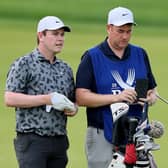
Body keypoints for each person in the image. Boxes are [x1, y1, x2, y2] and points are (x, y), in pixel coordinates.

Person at [75, 6, 158, 168]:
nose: (125, 36)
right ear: (108, 28)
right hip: (102, 133)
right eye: (120, 31)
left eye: (129, 31)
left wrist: (150, 98)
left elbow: (152, 90)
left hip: (137, 132)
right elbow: (81, 96)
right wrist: (117, 97)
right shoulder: (92, 56)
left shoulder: (140, 54)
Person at [4, 16, 78, 168]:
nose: (60, 39)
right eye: (55, 34)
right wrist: (46, 99)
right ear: (41, 36)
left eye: (62, 34)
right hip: (32, 140)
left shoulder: (65, 68)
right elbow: (10, 98)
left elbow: (72, 100)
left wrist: (73, 108)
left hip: (59, 140)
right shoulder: (24, 63)